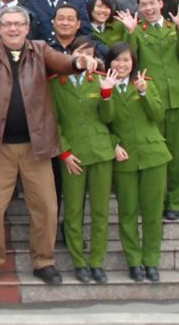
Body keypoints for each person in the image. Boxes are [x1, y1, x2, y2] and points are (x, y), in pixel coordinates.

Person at [0, 6, 99, 287]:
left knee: (46, 206)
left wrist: (79, 63)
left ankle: (43, 261)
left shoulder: (40, 49)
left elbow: (64, 62)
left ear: (26, 27)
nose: (13, 29)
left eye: (18, 24)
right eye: (7, 24)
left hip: (36, 146)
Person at [117, 0, 179, 221]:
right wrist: (130, 32)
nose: (148, 9)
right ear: (138, 9)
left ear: (160, 3)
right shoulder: (137, 31)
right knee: (156, 155)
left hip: (178, 98)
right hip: (151, 99)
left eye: (152, 3)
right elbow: (130, 58)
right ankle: (157, 201)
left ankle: (175, 201)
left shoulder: (174, 28)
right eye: (143, 5)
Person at [104, 42, 171, 283]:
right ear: (109, 62)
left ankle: (151, 260)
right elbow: (103, 121)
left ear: (133, 63)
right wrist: (113, 143)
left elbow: (158, 115)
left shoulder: (145, 83)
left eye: (126, 60)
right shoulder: (105, 86)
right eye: (117, 60)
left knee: (152, 212)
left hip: (153, 154)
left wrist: (143, 93)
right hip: (126, 157)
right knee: (128, 211)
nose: (121, 65)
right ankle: (134, 261)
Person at [50, 36, 115, 284]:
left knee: (100, 211)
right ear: (72, 55)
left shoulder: (99, 79)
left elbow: (109, 118)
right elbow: (53, 121)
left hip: (100, 151)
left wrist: (107, 93)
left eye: (90, 52)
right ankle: (79, 262)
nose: (86, 56)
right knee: (74, 211)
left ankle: (97, 262)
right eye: (81, 52)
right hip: (73, 155)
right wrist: (64, 152)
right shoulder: (57, 83)